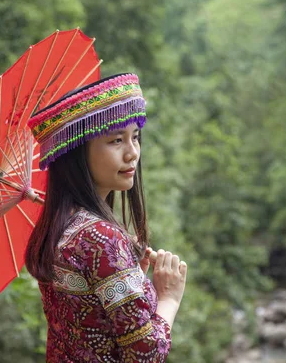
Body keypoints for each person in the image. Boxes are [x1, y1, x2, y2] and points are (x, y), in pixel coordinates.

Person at [25, 73, 188, 362]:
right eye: (116, 141)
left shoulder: (59, 230)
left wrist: (129, 271)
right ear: (76, 153)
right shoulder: (101, 239)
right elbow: (146, 354)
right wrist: (169, 297)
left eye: (135, 137)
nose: (132, 153)